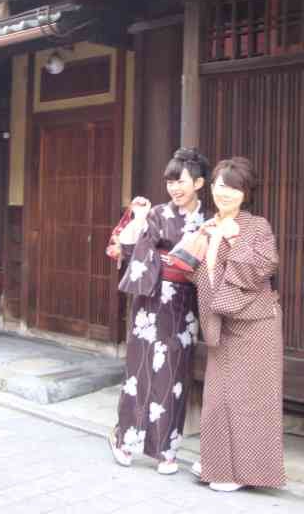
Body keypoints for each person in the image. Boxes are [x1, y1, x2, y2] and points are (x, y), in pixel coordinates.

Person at [107, 148, 209, 475]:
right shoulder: (158, 214)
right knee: (139, 372)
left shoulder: (208, 221)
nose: (173, 188)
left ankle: (167, 449)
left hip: (183, 305)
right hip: (150, 303)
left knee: (173, 375)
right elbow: (130, 248)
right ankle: (124, 439)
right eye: (169, 182)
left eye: (180, 181)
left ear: (199, 183)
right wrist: (138, 219)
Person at [190, 156, 285, 492]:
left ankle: (247, 472)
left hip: (255, 323)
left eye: (233, 187)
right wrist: (198, 243)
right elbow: (197, 273)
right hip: (222, 319)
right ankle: (218, 462)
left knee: (250, 399)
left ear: (245, 192)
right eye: (219, 185)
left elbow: (265, 264)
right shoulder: (207, 225)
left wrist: (232, 238)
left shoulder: (256, 226)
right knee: (218, 396)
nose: (225, 193)